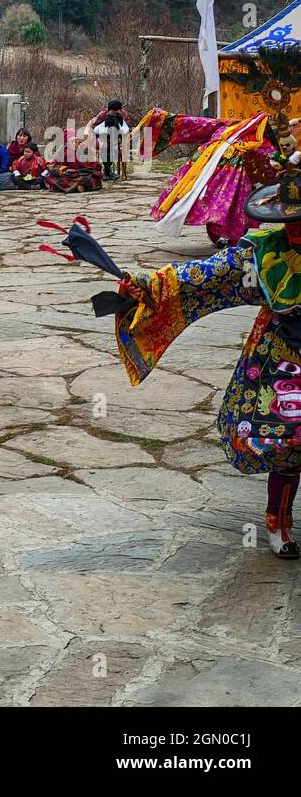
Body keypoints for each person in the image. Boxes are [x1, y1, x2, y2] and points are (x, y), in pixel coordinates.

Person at [98, 172, 301, 557]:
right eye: (289, 222)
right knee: (288, 441)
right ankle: (279, 522)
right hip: (284, 359)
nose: (294, 231)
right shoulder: (262, 254)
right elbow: (203, 276)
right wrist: (150, 284)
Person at [141, 107, 279, 245]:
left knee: (213, 201)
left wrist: (162, 117)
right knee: (231, 205)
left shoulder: (228, 127)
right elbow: (274, 161)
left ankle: (222, 235)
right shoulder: (259, 141)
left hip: (205, 168)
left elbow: (200, 124)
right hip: (220, 173)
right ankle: (231, 240)